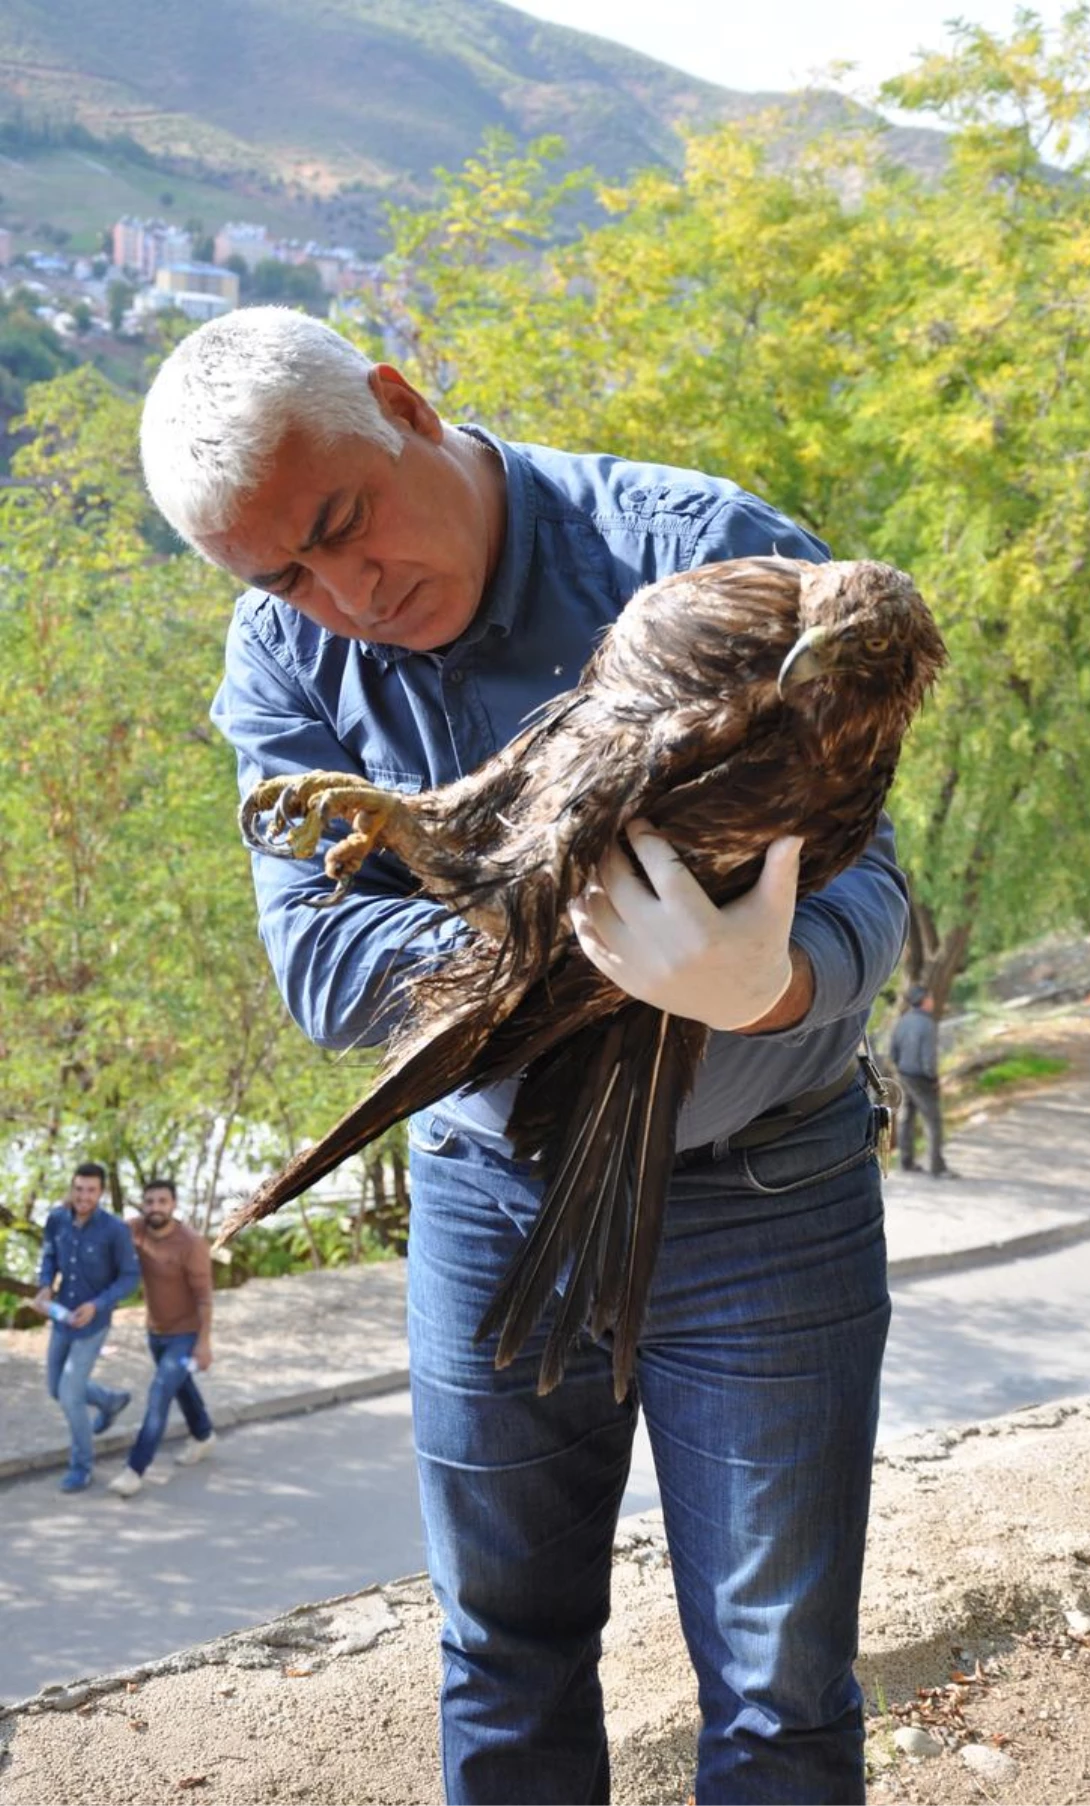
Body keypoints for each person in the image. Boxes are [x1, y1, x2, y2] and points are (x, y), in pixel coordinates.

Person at [140, 306, 909, 1806]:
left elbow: (874, 885)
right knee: (501, 1648)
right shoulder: (284, 654)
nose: (341, 595)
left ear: (402, 403)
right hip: (493, 1195)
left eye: (342, 526)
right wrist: (570, 952)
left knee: (779, 1683)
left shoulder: (698, 551)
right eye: (280, 574)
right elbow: (323, 961)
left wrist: (767, 982)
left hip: (770, 1196)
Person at [34, 1161, 140, 1492]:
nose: (83, 1196)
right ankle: (109, 1401)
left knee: (69, 1396)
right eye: (78, 1189)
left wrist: (97, 1305)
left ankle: (81, 1466)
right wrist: (44, 1285)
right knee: (56, 1388)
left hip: (93, 1324)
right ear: (72, 1187)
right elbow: (50, 1255)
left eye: (91, 1190)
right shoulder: (56, 1219)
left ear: (101, 1192)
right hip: (61, 1317)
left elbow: (130, 1278)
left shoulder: (114, 1230)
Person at [108, 1177, 216, 1498]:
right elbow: (105, 1233)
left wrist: (204, 1343)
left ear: (173, 1205)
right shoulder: (136, 1230)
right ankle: (204, 1435)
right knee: (181, 1388)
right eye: (150, 1201)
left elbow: (205, 1298)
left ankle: (134, 1470)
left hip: (185, 1335)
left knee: (159, 1394)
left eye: (162, 1202)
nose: (155, 1208)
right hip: (155, 1332)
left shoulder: (191, 1244)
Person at [889, 984, 950, 1176]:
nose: (933, 1002)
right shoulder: (928, 1024)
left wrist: (900, 1068)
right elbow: (928, 1058)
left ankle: (906, 1162)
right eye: (930, 998)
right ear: (924, 1001)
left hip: (903, 1075)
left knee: (906, 1118)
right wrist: (933, 1078)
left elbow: (893, 1051)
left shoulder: (902, 1021)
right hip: (921, 1078)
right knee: (933, 1120)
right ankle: (937, 1166)